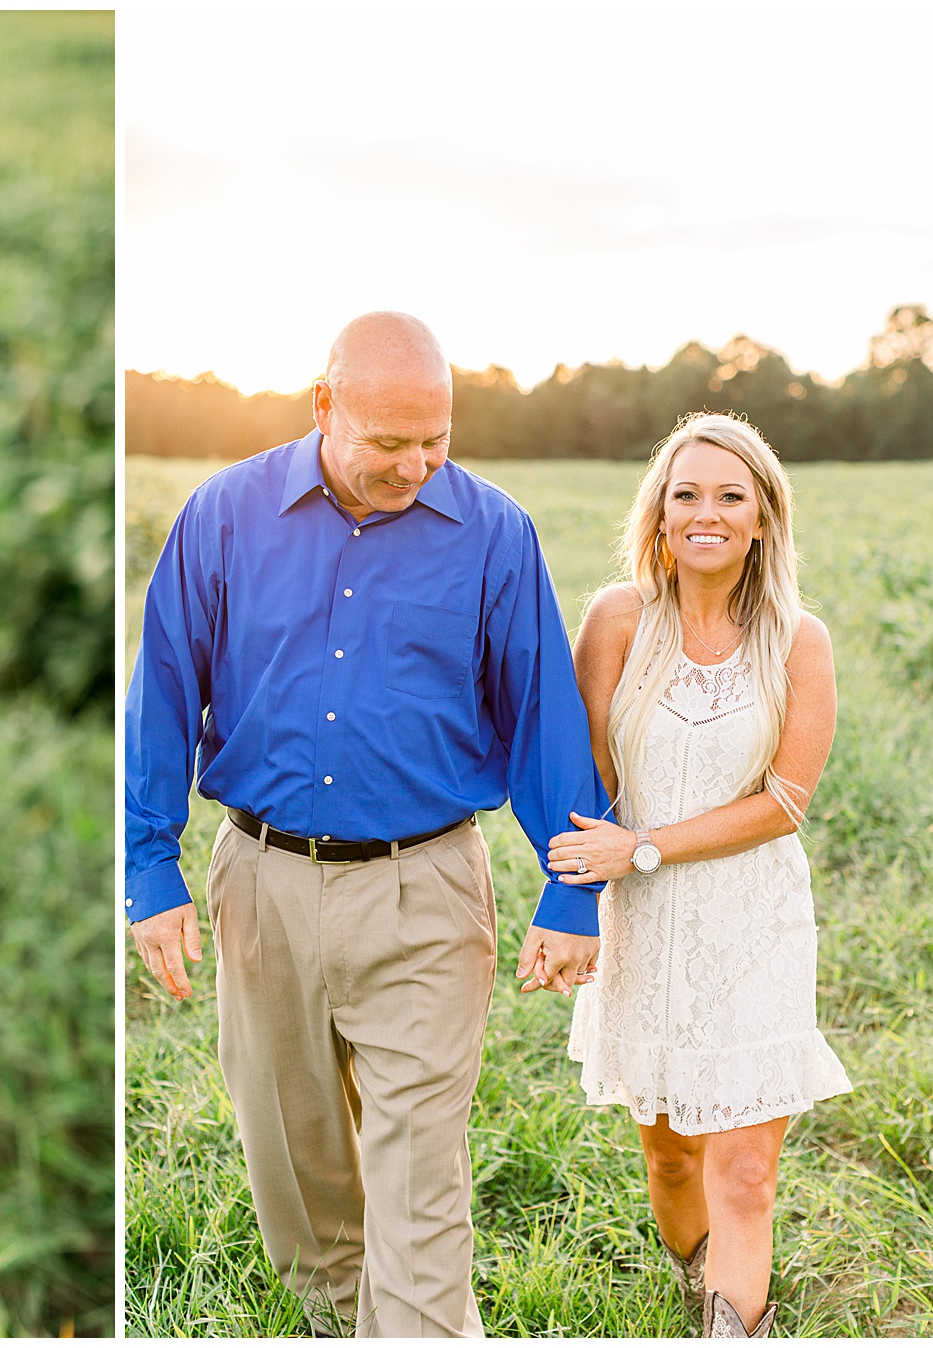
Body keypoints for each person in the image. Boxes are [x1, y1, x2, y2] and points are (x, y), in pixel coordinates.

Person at [126, 311, 609, 1337]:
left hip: (424, 888)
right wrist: (148, 870)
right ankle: (344, 1317)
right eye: (390, 443)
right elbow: (162, 694)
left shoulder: (496, 535)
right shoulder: (222, 516)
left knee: (419, 1183)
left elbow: (543, 722)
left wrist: (573, 894)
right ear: (322, 407)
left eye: (435, 438)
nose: (418, 464)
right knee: (295, 1167)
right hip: (260, 879)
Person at [553, 412, 853, 1338]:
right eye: (687, 494)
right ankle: (698, 1284)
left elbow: (785, 802)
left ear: (763, 517)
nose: (707, 513)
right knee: (671, 1157)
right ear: (660, 512)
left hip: (753, 922)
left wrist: (644, 847)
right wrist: (569, 902)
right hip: (641, 925)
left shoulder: (799, 640)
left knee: (745, 1170)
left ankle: (735, 1325)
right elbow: (586, 782)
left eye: (731, 496)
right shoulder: (616, 620)